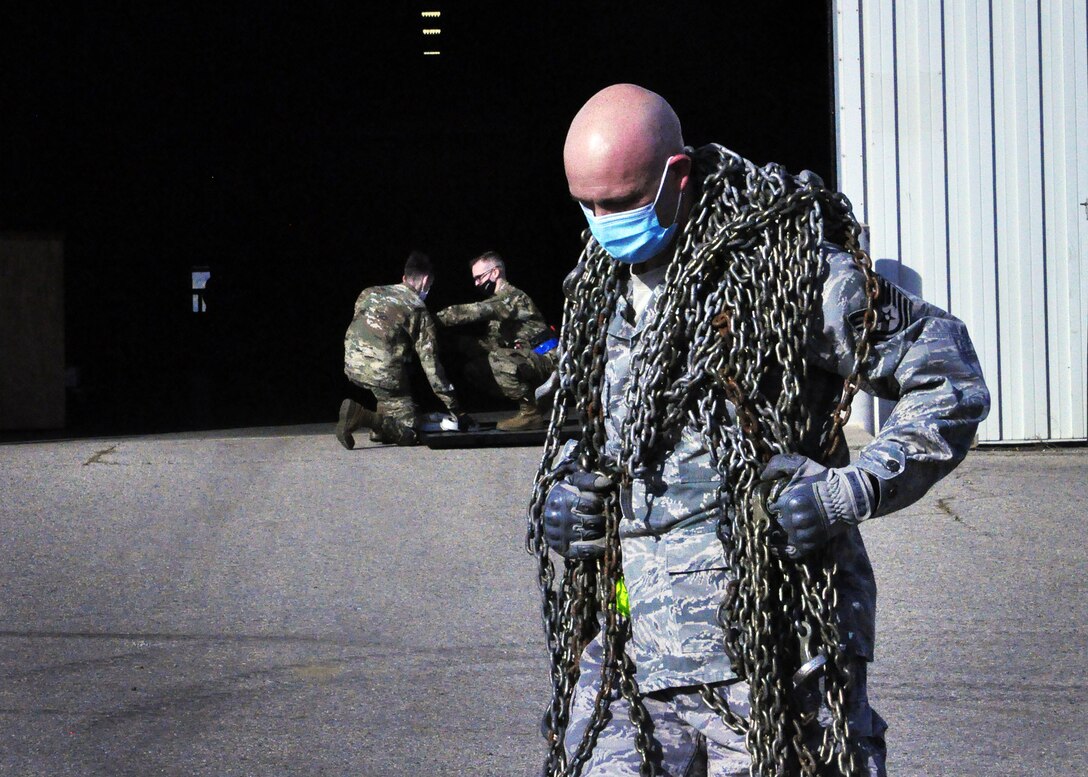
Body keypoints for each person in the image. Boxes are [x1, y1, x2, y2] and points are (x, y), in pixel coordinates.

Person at [532, 84, 990, 776]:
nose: (603, 223)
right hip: (630, 657)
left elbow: (948, 378)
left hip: (774, 658)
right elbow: (578, 428)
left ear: (677, 175)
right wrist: (563, 498)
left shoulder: (791, 276)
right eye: (587, 205)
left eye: (621, 202)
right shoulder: (599, 292)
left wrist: (851, 491)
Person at [336, 250, 470, 449]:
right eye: (430, 285)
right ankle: (360, 416)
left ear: (404, 277)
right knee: (409, 432)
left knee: (396, 401)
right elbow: (432, 367)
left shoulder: (369, 292)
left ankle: (380, 426)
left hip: (352, 364)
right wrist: (456, 408)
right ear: (426, 280)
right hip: (383, 373)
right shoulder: (417, 308)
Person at [436, 251, 558, 431]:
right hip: (531, 359)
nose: (476, 283)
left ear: (495, 272)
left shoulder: (511, 298)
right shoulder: (498, 306)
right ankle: (536, 402)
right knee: (476, 368)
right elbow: (491, 343)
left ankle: (530, 413)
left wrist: (432, 319)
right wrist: (455, 343)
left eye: (479, 277)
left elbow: (473, 311)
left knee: (499, 359)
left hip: (548, 360)